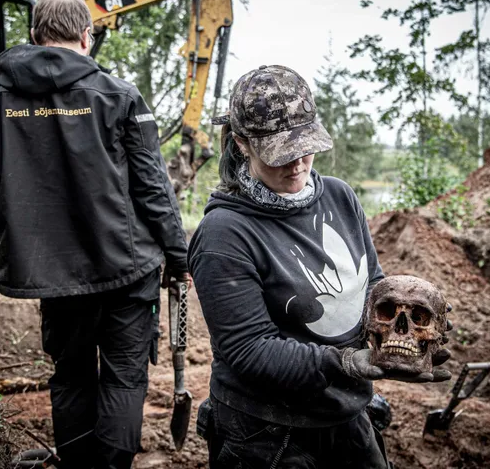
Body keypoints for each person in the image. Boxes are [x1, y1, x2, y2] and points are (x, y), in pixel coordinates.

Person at [0, 0, 191, 469]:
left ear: (35, 36)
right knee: (124, 378)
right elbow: (153, 188)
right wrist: (179, 258)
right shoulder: (120, 95)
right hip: (127, 266)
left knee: (72, 375)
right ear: (87, 35)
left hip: (53, 274)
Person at [188, 65, 452, 468]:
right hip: (267, 432)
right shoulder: (224, 233)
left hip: (346, 412)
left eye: (305, 147)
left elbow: (371, 286)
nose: (297, 164)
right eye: (281, 154)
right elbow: (248, 351)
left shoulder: (340, 197)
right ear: (242, 143)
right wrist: (343, 362)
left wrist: (402, 336)